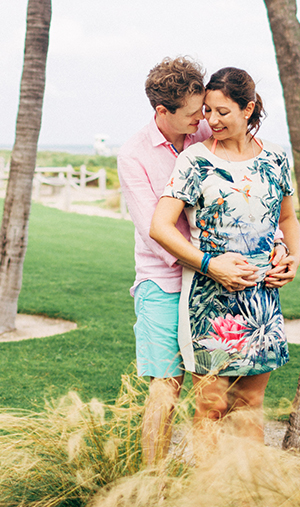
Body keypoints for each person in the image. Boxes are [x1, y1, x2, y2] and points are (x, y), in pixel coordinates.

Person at [149, 66, 300, 443]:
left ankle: (246, 492)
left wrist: (292, 258)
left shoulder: (277, 159)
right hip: (211, 301)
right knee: (211, 407)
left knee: (251, 403)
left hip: (262, 301)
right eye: (208, 111)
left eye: (222, 112)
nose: (211, 120)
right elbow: (160, 226)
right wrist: (210, 265)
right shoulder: (195, 160)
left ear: (248, 110)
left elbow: (287, 217)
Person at [118, 56, 211, 464]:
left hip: (212, 281)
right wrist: (211, 263)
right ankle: (152, 480)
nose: (202, 118)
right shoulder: (133, 155)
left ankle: (210, 481)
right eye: (193, 113)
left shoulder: (207, 132)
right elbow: (156, 235)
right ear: (162, 111)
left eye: (203, 108)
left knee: (210, 387)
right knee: (166, 386)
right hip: (163, 281)